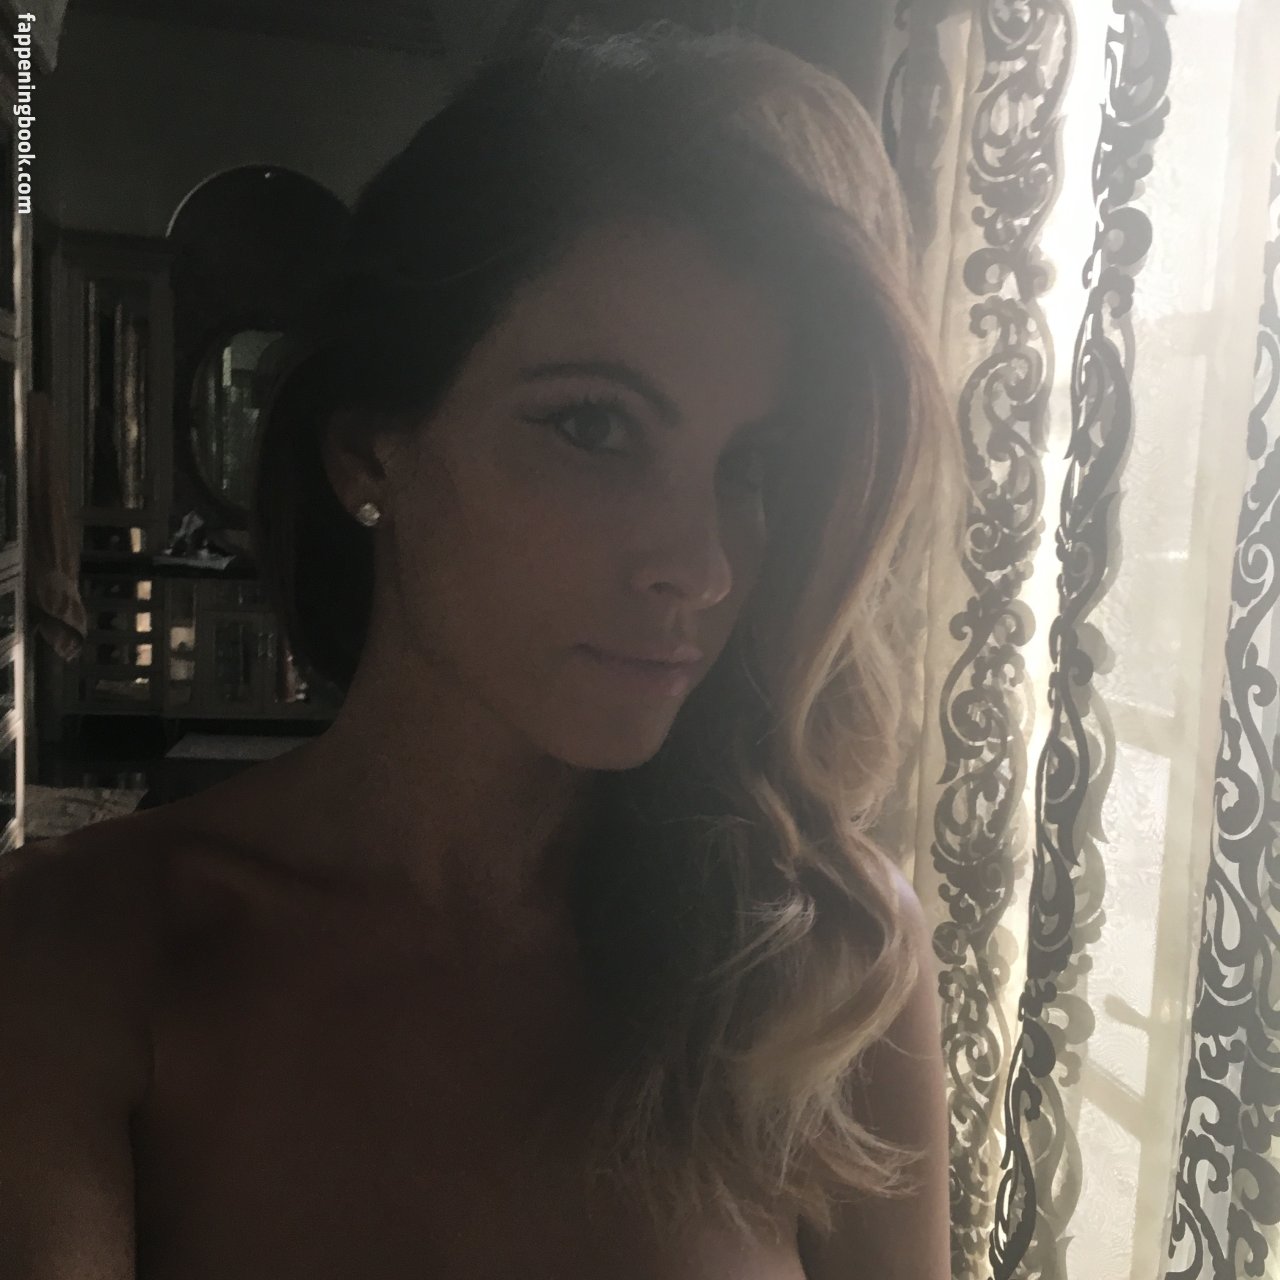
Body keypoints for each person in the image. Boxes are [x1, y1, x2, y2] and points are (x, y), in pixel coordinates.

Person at [0, 19, 961, 1280]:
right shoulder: (81, 957)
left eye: (750, 464)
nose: (700, 564)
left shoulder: (825, 966)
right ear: (369, 449)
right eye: (593, 426)